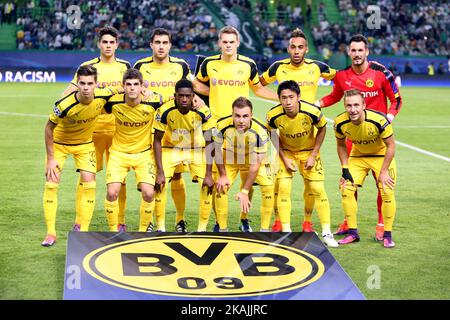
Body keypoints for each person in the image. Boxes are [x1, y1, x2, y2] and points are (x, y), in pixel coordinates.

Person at [193, 26, 278, 232]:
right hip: (216, 124)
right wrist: (213, 90)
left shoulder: (248, 64)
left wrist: (280, 98)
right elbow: (196, 83)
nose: (228, 45)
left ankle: (244, 217)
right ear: (219, 43)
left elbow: (257, 88)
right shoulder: (209, 63)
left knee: (247, 174)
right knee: (217, 178)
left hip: (243, 123)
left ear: (238, 43)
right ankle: (218, 223)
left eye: (232, 42)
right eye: (225, 41)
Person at [318, 34, 402, 241]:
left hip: (379, 138)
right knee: (348, 182)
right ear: (349, 52)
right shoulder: (342, 76)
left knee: (383, 184)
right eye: (353, 50)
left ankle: (382, 224)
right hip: (353, 137)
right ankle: (349, 223)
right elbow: (334, 96)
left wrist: (389, 118)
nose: (356, 54)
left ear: (366, 52)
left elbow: (396, 99)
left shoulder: (381, 72)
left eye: (360, 50)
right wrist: (316, 103)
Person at [260, 28, 336, 232]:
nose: (296, 51)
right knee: (280, 183)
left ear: (306, 49)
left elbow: (342, 81)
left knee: (311, 185)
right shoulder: (278, 67)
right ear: (288, 48)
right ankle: (279, 221)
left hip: (308, 131)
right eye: (293, 47)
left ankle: (307, 222)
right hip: (283, 131)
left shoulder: (317, 67)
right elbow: (257, 84)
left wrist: (322, 102)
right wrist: (278, 100)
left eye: (300, 47)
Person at [62, 26, 131, 232]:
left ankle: (120, 220)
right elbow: (71, 90)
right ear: (99, 44)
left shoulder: (125, 66)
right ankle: (80, 220)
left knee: (120, 179)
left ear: (117, 44)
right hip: (91, 131)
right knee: (85, 177)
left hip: (117, 131)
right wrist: (60, 105)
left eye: (112, 42)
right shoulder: (88, 66)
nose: (108, 46)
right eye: (105, 42)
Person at [134, 28, 200, 232]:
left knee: (177, 177)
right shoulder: (141, 66)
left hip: (177, 130)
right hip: (150, 129)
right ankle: (151, 221)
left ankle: (179, 220)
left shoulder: (180, 66)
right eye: (157, 42)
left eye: (165, 42)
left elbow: (192, 87)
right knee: (152, 178)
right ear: (151, 45)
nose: (161, 46)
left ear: (170, 45)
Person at [41, 65, 114, 246]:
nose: (86, 87)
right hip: (59, 145)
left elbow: (123, 87)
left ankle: (83, 231)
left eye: (90, 83)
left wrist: (144, 89)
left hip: (84, 145)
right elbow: (48, 128)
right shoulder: (64, 105)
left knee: (90, 183)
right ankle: (51, 233)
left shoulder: (103, 95)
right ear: (77, 84)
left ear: (96, 84)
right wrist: (50, 158)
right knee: (52, 184)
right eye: (82, 83)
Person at [266, 81, 338, 246]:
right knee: (283, 188)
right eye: (284, 98)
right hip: (287, 153)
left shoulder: (312, 111)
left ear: (298, 97)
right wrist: (283, 157)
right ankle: (286, 232)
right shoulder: (273, 115)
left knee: (318, 189)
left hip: (309, 152)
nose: (288, 102)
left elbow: (322, 128)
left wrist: (314, 154)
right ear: (279, 99)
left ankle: (327, 233)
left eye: (291, 97)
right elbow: (272, 133)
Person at [333, 89, 397, 248]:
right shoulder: (339, 122)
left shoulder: (379, 120)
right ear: (344, 106)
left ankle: (388, 234)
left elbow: (391, 146)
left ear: (364, 105)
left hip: (381, 155)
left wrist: (383, 172)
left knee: (387, 189)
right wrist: (344, 168)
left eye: (356, 105)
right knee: (346, 188)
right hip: (358, 155)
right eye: (349, 105)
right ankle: (353, 233)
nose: (353, 109)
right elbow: (341, 145)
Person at [103, 68, 163, 232]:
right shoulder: (113, 102)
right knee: (112, 192)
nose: (132, 88)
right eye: (128, 84)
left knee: (149, 194)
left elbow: (174, 100)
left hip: (143, 155)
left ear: (142, 86)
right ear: (123, 86)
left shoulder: (153, 101)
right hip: (118, 154)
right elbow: (95, 100)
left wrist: (197, 101)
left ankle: (142, 232)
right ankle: (113, 232)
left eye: (136, 84)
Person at [153, 79, 215, 231]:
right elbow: (156, 141)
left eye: (188, 96)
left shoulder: (203, 110)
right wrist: (160, 171)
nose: (184, 99)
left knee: (207, 185)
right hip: (171, 148)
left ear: (193, 95)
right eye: (181, 96)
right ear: (175, 96)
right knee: (158, 184)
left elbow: (210, 142)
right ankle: (160, 228)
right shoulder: (164, 110)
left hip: (196, 149)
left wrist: (208, 173)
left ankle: (202, 230)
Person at [214, 97, 274, 232]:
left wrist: (245, 190)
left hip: (252, 159)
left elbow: (256, 164)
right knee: (220, 187)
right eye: (237, 116)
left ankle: (262, 229)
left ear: (251, 116)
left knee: (268, 187)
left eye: (245, 116)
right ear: (232, 115)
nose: (241, 120)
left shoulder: (261, 131)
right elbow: (215, 150)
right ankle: (222, 229)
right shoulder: (221, 125)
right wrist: (223, 175)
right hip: (230, 158)